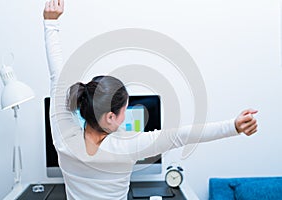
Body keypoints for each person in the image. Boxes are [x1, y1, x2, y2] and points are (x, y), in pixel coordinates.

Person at [43, 0, 258, 199]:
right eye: (124, 110)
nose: (125, 115)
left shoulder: (64, 137)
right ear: (110, 116)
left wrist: (50, 22)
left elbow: (58, 77)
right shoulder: (128, 146)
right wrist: (234, 126)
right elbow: (181, 136)